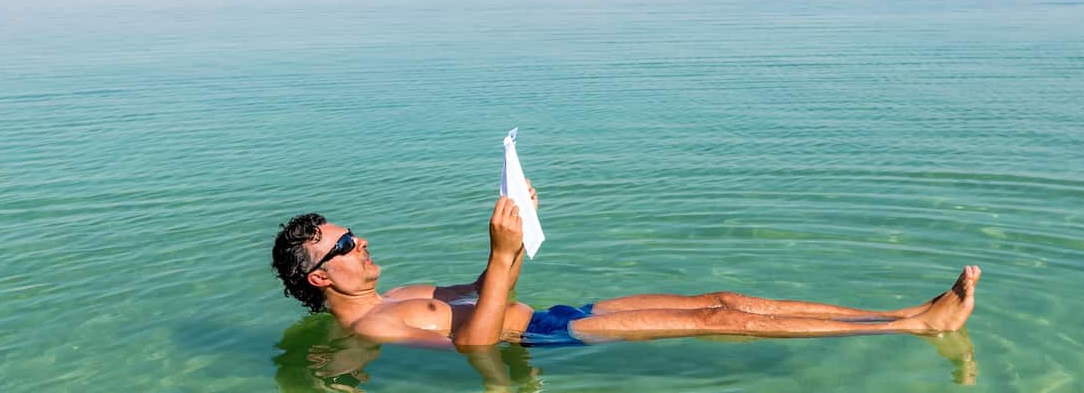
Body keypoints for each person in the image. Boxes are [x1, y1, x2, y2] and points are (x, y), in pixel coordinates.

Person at [269, 180, 978, 350]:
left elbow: (488, 289)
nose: (359, 244)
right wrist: (501, 255)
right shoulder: (372, 331)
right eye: (344, 246)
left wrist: (519, 223)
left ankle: (905, 312)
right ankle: (910, 328)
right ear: (319, 277)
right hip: (545, 338)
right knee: (717, 320)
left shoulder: (407, 290)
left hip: (555, 311)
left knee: (720, 294)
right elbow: (478, 343)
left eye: (353, 234)